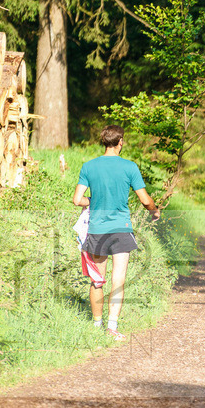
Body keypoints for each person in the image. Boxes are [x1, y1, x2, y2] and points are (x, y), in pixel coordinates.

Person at [72, 125, 160, 341]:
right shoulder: (129, 167)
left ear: (104, 142)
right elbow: (144, 199)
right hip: (120, 229)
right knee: (118, 279)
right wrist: (154, 210)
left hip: (97, 231)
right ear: (121, 142)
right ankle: (112, 328)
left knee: (97, 280)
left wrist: (91, 201)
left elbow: (77, 200)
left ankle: (96, 325)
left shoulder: (89, 166)